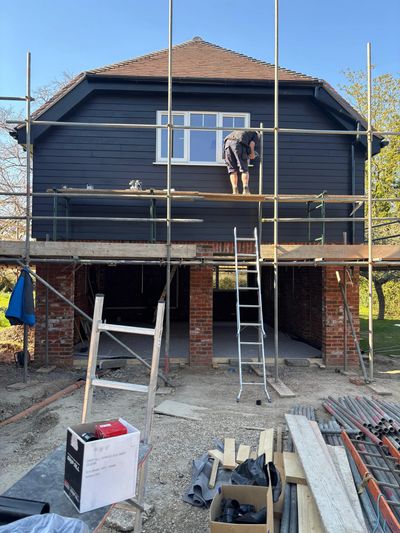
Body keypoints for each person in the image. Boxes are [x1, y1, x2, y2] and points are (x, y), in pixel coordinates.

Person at [223, 130, 260, 195]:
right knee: (244, 168)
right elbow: (251, 144)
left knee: (232, 169)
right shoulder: (255, 134)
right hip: (238, 142)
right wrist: (252, 154)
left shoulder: (244, 132)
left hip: (227, 143)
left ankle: (235, 191)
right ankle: (246, 190)